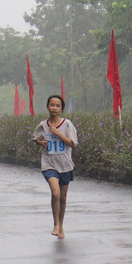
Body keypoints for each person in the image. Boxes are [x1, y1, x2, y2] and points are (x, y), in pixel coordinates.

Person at [33, 95, 78, 239]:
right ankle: (56, 224)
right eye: (52, 105)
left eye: (58, 106)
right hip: (49, 163)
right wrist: (41, 143)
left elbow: (72, 143)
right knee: (55, 192)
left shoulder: (67, 124)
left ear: (62, 108)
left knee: (63, 199)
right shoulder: (43, 125)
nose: (54, 108)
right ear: (47, 106)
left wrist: (58, 133)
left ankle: (61, 225)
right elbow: (37, 138)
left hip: (65, 165)